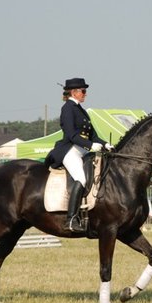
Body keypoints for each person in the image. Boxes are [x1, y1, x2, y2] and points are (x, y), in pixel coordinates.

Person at [44, 77, 113, 233]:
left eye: (85, 91)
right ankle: (71, 219)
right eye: (83, 91)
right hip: (70, 150)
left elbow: (93, 135)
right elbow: (71, 135)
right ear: (74, 92)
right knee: (81, 179)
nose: (85, 94)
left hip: (82, 150)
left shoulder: (81, 110)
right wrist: (90, 145)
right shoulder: (67, 108)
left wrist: (105, 144)